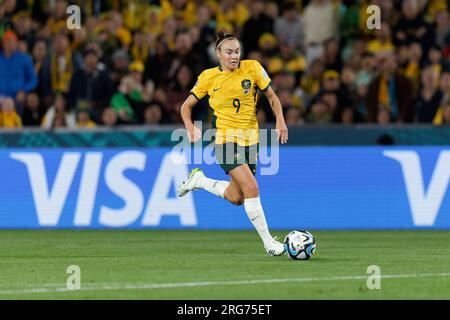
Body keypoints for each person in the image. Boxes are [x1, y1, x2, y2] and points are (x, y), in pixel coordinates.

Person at [177, 31, 288, 256]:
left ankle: (199, 180)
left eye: (237, 51)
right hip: (226, 141)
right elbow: (186, 106)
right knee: (252, 188)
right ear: (218, 53)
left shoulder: (253, 68)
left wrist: (280, 120)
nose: (234, 56)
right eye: (228, 52)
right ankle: (269, 242)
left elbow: (272, 97)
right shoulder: (208, 77)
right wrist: (189, 126)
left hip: (251, 141)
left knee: (237, 197)